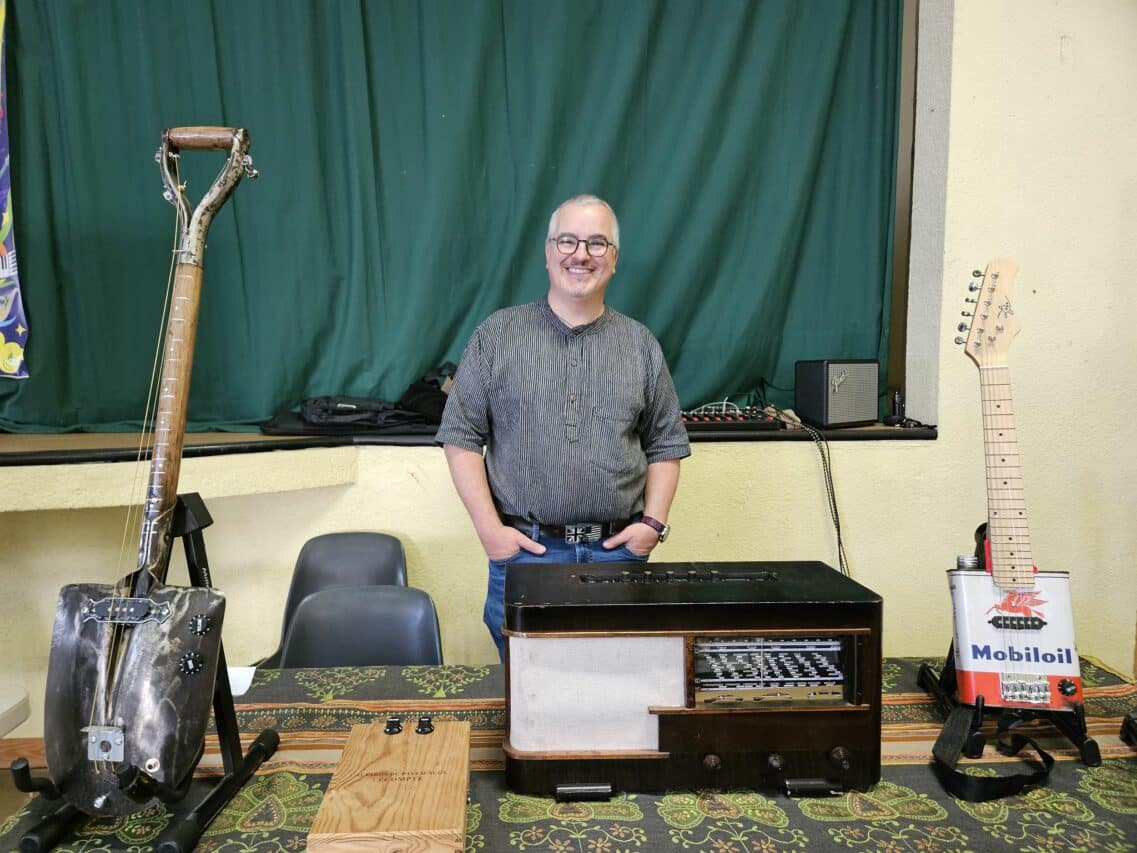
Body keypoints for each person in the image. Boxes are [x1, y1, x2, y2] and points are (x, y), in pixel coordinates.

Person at [435, 194, 691, 660]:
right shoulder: (496, 336)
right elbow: (460, 438)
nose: (581, 254)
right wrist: (489, 531)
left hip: (618, 557)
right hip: (527, 556)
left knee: (618, 684)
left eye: (597, 243)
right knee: (532, 696)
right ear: (548, 252)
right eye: (568, 240)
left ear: (614, 260)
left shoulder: (640, 345)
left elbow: (665, 445)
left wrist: (652, 525)